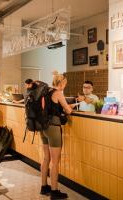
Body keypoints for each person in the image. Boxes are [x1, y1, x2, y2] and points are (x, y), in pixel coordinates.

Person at [40, 71, 75, 199]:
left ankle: (44, 187)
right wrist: (69, 107)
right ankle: (54, 191)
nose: (65, 85)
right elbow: (68, 110)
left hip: (43, 127)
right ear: (61, 83)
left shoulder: (46, 91)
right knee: (55, 162)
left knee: (46, 158)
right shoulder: (58, 92)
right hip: (53, 128)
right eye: (65, 83)